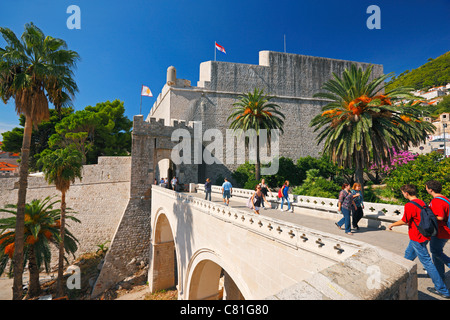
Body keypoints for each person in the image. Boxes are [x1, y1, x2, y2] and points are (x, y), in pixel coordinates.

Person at [388, 184, 450, 299]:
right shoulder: (422, 202)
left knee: (427, 262)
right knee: (408, 255)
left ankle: (442, 290)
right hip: (424, 235)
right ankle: (400, 276)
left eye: (403, 192)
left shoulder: (409, 205)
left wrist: (392, 224)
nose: (403, 194)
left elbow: (404, 220)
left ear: (406, 193)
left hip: (417, 237)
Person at [426, 180, 450, 282]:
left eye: (426, 187)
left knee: (435, 251)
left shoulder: (436, 201)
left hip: (441, 231)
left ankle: (440, 277)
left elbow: (440, 217)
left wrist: (426, 217)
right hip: (444, 231)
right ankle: (440, 276)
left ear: (430, 189)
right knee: (436, 253)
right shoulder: (445, 198)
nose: (426, 189)